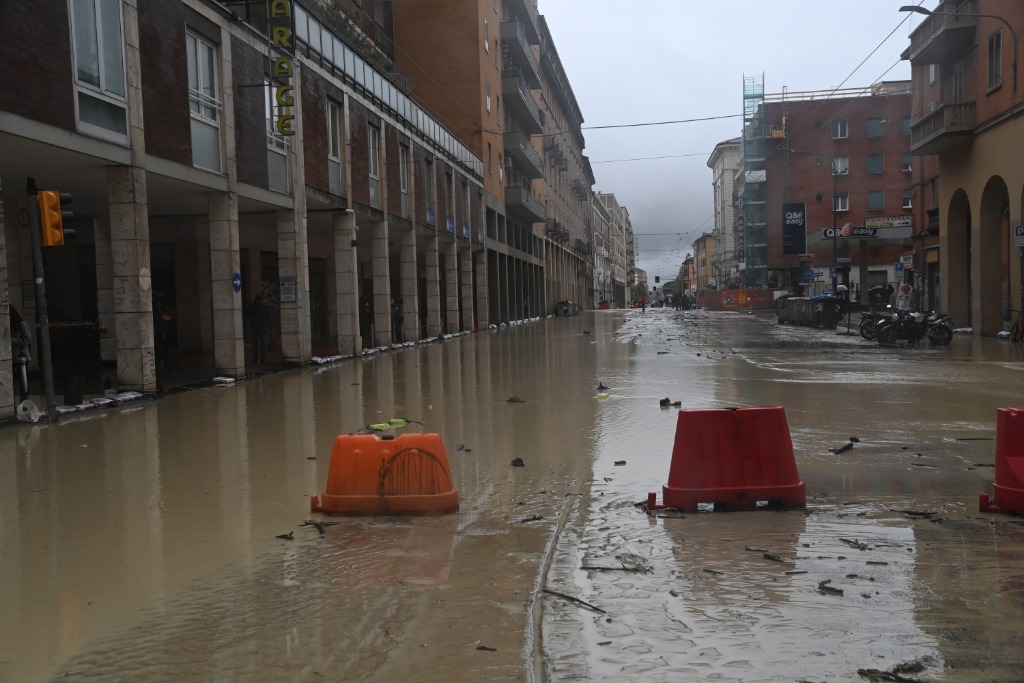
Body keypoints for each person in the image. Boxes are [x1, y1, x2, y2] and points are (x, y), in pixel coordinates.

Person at [10, 306, 32, 401]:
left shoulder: (21, 324)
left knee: (23, 382)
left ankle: (24, 403)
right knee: (11, 382)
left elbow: (28, 339)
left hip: (21, 358)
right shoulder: (8, 325)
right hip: (12, 358)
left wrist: (12, 341)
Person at [246, 294, 271, 364]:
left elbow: (247, 314)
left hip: (257, 327)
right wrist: (269, 327)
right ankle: (260, 358)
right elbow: (268, 318)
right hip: (260, 328)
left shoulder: (253, 306)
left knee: (257, 344)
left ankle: (257, 358)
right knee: (261, 344)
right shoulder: (264, 307)